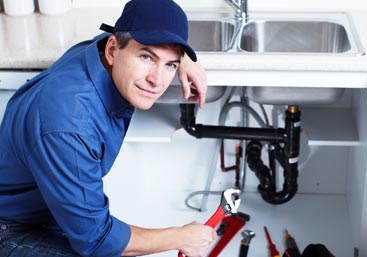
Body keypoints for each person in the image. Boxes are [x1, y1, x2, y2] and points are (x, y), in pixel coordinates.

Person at [0, 0, 217, 256]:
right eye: (147, 57)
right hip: (12, 228)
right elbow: (97, 240)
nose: (157, 80)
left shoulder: (101, 51)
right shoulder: (69, 125)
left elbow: (134, 38)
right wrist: (181, 237)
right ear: (114, 50)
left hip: (48, 209)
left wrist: (184, 60)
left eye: (169, 64)